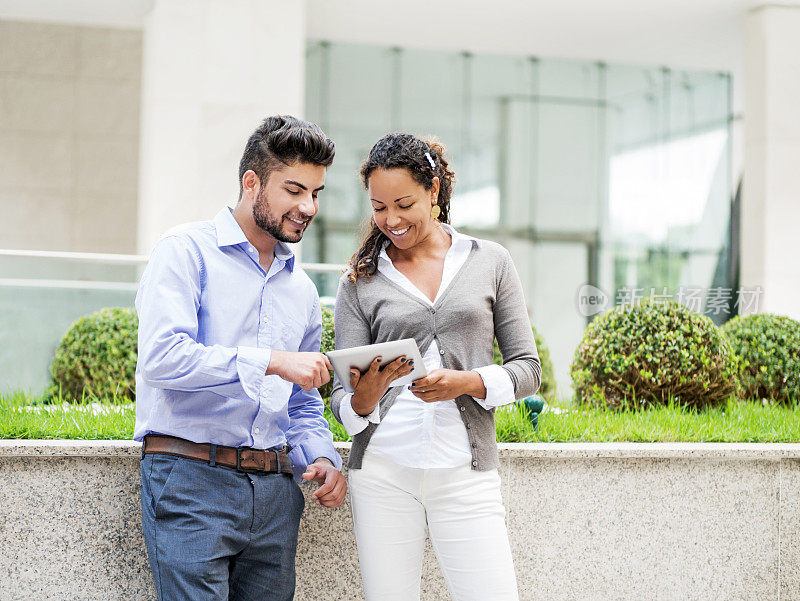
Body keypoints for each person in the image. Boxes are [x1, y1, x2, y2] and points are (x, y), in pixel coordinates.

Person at [134, 115, 347, 601]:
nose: (307, 206)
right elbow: (163, 358)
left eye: (316, 193)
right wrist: (269, 360)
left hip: (274, 493)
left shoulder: (303, 291)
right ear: (252, 182)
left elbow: (302, 404)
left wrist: (322, 457)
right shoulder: (184, 251)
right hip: (190, 481)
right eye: (294, 189)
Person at [330, 133, 541, 601]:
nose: (392, 220)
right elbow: (343, 398)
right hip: (382, 472)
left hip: (465, 472)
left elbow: (528, 368)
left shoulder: (490, 262)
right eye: (379, 207)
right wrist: (366, 395)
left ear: (434, 191)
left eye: (404, 203)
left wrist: (465, 383)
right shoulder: (360, 281)